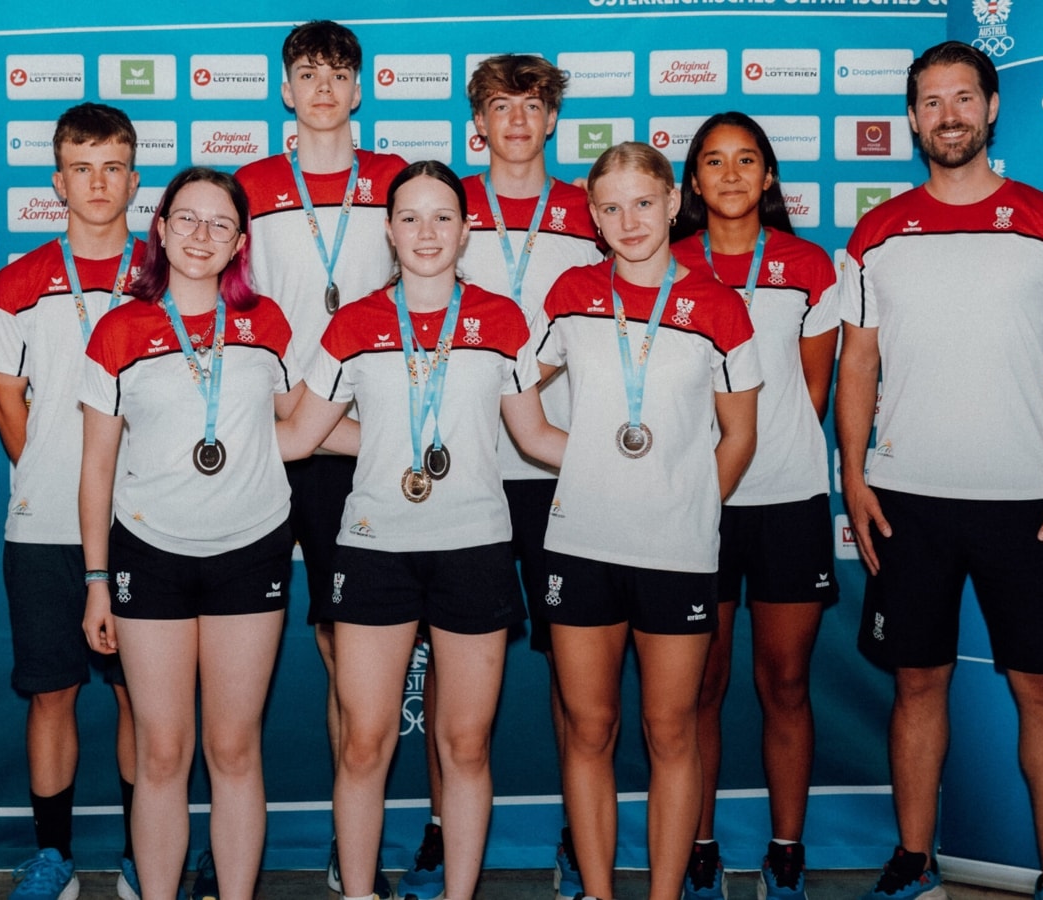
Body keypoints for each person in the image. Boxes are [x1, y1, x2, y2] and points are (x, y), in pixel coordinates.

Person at [276, 160, 567, 900]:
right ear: (389, 230)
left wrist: (654, 462)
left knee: (465, 746)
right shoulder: (353, 323)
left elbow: (536, 436)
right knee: (364, 744)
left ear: (467, 230)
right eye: (410, 217)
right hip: (375, 548)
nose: (427, 232)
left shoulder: (503, 320)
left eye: (443, 217)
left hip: (475, 546)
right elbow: (300, 435)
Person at [836, 40, 1043, 900]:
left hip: (1027, 499)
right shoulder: (878, 231)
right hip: (907, 500)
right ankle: (914, 858)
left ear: (992, 108)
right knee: (918, 681)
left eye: (964, 98)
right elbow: (858, 363)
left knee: (1041, 689)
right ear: (912, 118)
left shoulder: (1042, 220)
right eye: (931, 101)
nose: (948, 115)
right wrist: (854, 478)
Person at [396, 54, 605, 900]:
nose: (517, 120)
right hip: (459, 470)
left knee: (574, 666)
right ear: (477, 123)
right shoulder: (444, 207)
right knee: (446, 665)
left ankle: (577, 836)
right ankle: (441, 833)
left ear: (552, 119)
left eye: (532, 105)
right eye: (499, 106)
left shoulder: (590, 212)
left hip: (559, 468)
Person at [534, 142, 760, 900]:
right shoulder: (571, 292)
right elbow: (515, 390)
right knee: (589, 729)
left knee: (671, 731)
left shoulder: (721, 305)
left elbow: (740, 436)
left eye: (642, 203)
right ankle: (598, 892)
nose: (628, 221)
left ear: (671, 204)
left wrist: (688, 503)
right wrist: (576, 458)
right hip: (581, 544)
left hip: (677, 551)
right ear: (593, 219)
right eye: (610, 208)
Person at [79, 167, 305, 900]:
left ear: (240, 242)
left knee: (234, 750)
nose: (201, 235)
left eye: (220, 224)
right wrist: (96, 581)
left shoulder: (269, 325)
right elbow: (97, 467)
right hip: (150, 554)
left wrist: (391, 441)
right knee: (162, 754)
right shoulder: (118, 329)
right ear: (161, 228)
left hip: (252, 550)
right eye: (187, 219)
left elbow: (303, 427)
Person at [233, 23, 407, 897]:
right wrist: (279, 407)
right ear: (286, 91)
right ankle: (221, 847)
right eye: (308, 74)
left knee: (350, 652)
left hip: (361, 443)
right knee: (228, 648)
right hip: (266, 435)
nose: (324, 88)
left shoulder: (397, 180)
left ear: (360, 88)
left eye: (339, 74)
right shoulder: (250, 187)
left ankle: (353, 846)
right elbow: (231, 304)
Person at [0, 102, 146, 900]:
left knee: (143, 699)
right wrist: (53, 473)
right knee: (51, 694)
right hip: (45, 523)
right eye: (82, 169)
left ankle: (147, 852)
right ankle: (53, 858)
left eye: (112, 168)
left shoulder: (167, 274)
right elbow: (5, 398)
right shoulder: (19, 281)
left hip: (146, 524)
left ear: (134, 181)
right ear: (58, 181)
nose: (98, 183)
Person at [670, 112, 839, 900]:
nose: (731, 174)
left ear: (769, 176)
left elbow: (813, 391)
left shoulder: (809, 265)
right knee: (699, 687)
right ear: (692, 181)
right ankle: (699, 846)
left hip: (787, 498)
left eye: (746, 160)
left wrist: (764, 457)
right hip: (694, 501)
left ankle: (786, 849)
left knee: (787, 684)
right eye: (714, 161)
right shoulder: (667, 263)